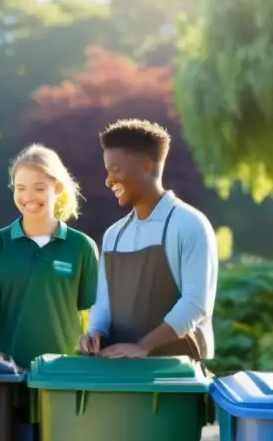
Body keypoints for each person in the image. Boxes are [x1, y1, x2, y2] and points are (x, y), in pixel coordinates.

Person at [79, 119, 218, 360]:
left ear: (146, 166)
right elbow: (103, 301)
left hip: (176, 374)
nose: (108, 180)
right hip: (119, 368)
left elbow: (195, 304)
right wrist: (94, 332)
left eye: (116, 169)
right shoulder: (114, 234)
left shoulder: (189, 224)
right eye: (107, 171)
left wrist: (144, 346)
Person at [0, 143, 99, 369]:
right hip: (9, 371)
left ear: (57, 188)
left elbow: (95, 311)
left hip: (64, 372)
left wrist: (90, 359)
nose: (28, 196)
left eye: (39, 188)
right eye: (20, 188)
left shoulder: (81, 246)